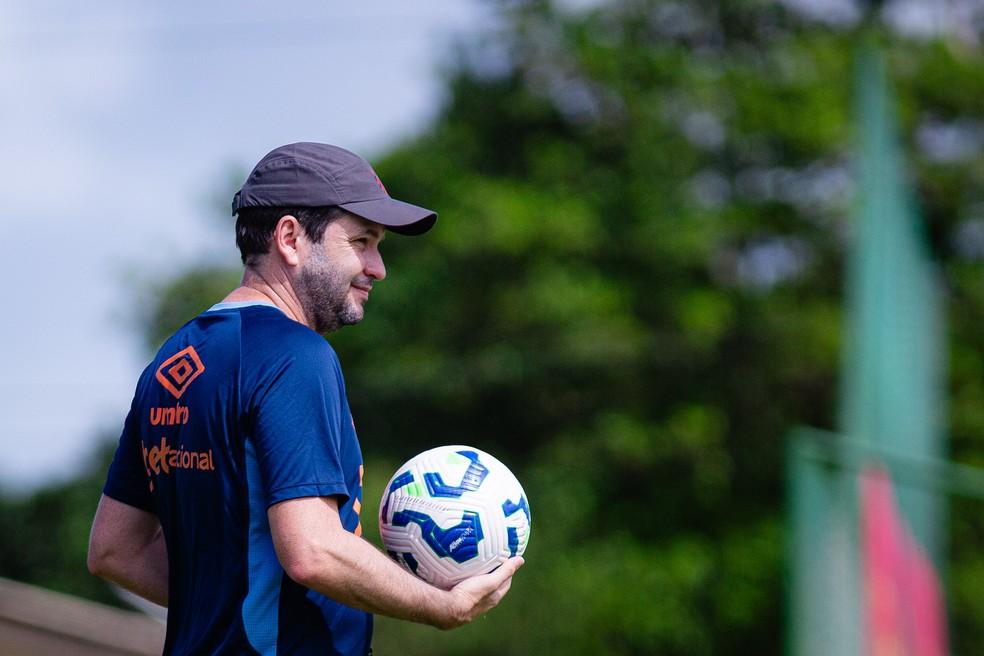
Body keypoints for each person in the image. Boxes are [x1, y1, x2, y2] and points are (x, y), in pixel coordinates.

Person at [87, 142, 523, 655]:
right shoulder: (295, 355)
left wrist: (228, 602)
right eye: (361, 241)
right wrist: (440, 607)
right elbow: (312, 551)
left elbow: (116, 550)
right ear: (290, 238)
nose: (378, 267)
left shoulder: (175, 357)